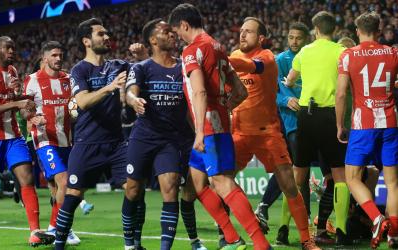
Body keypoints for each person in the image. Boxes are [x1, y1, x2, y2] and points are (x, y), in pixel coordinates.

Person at [169, 4, 272, 250]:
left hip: (207, 126)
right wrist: (224, 108)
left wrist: (201, 131)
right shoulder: (217, 46)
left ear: (184, 25)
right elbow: (240, 90)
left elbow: (200, 91)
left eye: (178, 32)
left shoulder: (192, 50)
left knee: (222, 182)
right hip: (219, 120)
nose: (178, 37)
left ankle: (260, 243)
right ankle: (232, 238)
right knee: (197, 183)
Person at [227, 17, 319, 250]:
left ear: (261, 38)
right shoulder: (234, 56)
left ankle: (307, 240)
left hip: (268, 133)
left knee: (289, 185)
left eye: (248, 32)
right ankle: (236, 230)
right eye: (241, 30)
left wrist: (220, 59)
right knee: (221, 181)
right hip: (238, 133)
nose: (242, 35)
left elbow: (251, 67)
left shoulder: (267, 57)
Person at [52, 18, 142, 250]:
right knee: (72, 196)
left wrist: (140, 56)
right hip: (87, 143)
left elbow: (144, 71)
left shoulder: (119, 65)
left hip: (116, 144)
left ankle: (131, 245)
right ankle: (59, 244)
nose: (107, 37)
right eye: (101, 34)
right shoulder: (79, 70)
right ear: (86, 41)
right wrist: (109, 87)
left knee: (134, 190)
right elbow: (82, 101)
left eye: (107, 33)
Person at [123, 18, 207, 250]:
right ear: (152, 40)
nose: (172, 35)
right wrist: (134, 100)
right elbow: (130, 92)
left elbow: (193, 102)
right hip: (144, 136)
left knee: (170, 188)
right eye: (166, 32)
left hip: (172, 140)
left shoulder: (184, 67)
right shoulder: (141, 68)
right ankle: (130, 244)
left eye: (173, 31)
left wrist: (199, 132)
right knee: (133, 189)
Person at [0, 36, 54, 249]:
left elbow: (18, 105)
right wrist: (15, 101)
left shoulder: (14, 72)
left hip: (14, 137)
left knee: (26, 179)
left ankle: (35, 231)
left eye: (14, 48)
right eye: (8, 48)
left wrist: (25, 105)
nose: (12, 51)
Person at [285, 11, 350, 246]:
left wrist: (291, 83)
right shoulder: (342, 52)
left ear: (316, 30)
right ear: (333, 30)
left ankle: (283, 229)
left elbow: (291, 80)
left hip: (306, 116)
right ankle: (342, 232)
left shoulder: (304, 51)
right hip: (330, 116)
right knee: (340, 175)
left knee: (297, 174)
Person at [336, 11, 398, 249]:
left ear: (357, 31)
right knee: (392, 183)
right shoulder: (392, 52)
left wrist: (340, 125)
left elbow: (341, 93)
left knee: (352, 177)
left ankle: (376, 218)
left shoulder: (348, 55)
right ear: (379, 31)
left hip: (363, 125)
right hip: (391, 122)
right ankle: (393, 235)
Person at [23, 41, 81, 245]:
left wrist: (75, 109)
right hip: (44, 139)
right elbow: (24, 109)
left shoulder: (68, 79)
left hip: (66, 139)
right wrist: (32, 118)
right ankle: (64, 229)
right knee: (63, 181)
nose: (58, 58)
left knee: (58, 188)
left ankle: (54, 227)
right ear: (45, 58)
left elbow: (75, 103)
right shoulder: (32, 80)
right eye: (54, 55)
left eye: (60, 55)